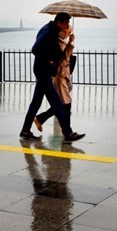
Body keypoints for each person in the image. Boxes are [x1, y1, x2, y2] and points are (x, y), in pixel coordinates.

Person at [20, 12, 85, 143]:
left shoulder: (51, 30)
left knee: (36, 102)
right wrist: (49, 61)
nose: (67, 25)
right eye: (66, 23)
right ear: (59, 22)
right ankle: (68, 133)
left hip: (43, 71)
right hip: (43, 70)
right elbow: (36, 49)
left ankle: (25, 130)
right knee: (57, 102)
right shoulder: (48, 31)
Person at [34, 27, 75, 132]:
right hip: (59, 77)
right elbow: (62, 58)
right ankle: (67, 132)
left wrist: (70, 43)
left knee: (61, 104)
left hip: (64, 76)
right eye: (66, 31)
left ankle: (41, 118)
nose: (67, 33)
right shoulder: (58, 42)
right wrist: (70, 43)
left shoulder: (63, 42)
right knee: (65, 103)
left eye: (69, 32)